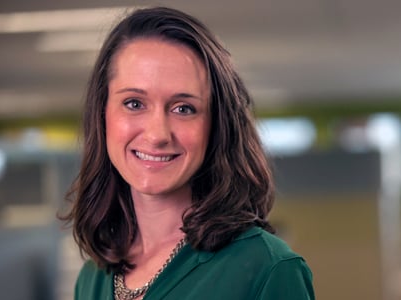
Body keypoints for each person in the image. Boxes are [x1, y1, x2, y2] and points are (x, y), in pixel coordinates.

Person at [62, 6, 315, 300]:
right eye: (134, 103)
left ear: (216, 126)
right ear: (102, 113)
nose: (157, 135)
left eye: (184, 108)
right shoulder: (94, 277)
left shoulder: (268, 269)